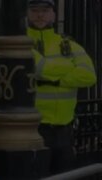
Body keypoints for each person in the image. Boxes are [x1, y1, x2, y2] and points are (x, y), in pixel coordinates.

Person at [27, 0, 97, 174]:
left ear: (53, 14)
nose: (40, 15)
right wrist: (67, 68)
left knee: (64, 174)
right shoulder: (22, 43)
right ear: (27, 14)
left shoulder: (68, 44)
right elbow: (39, 67)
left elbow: (89, 76)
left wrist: (54, 79)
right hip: (35, 128)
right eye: (35, 10)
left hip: (65, 128)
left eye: (45, 10)